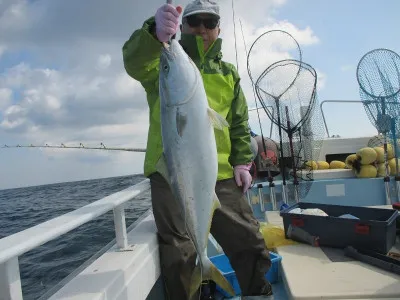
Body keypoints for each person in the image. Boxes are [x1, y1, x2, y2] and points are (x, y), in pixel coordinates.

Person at [122, 1, 273, 299]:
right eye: (194, 22)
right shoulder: (161, 63)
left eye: (209, 22)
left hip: (222, 172)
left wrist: (243, 162)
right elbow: (134, 62)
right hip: (172, 173)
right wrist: (154, 33)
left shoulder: (229, 74)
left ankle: (259, 294)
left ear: (219, 28)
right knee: (180, 253)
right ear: (182, 26)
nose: (202, 29)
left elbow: (239, 123)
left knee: (249, 241)